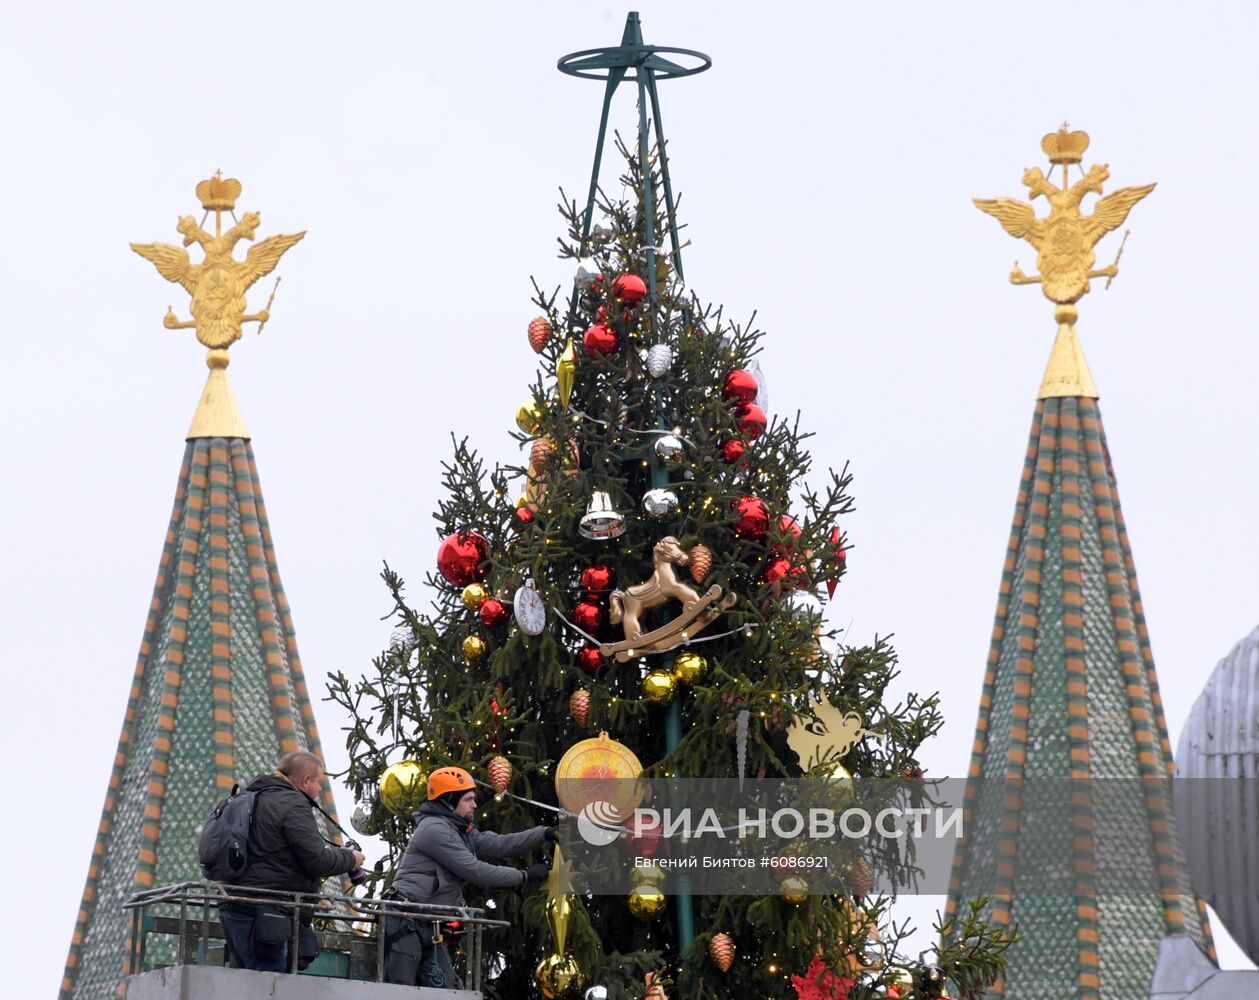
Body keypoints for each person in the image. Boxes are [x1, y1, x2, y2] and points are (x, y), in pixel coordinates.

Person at [384, 765, 556, 988]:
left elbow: (497, 844)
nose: (474, 804)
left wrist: (544, 833)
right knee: (398, 989)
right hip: (405, 919)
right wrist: (524, 876)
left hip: (425, 922)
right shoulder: (434, 829)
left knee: (448, 990)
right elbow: (475, 870)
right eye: (468, 799)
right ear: (449, 800)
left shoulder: (457, 829)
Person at [218, 750, 365, 973]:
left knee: (245, 987)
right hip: (267, 915)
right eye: (318, 784)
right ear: (306, 781)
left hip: (234, 908)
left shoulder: (251, 797)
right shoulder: (292, 804)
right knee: (270, 989)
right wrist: (350, 858)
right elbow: (317, 860)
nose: (318, 791)